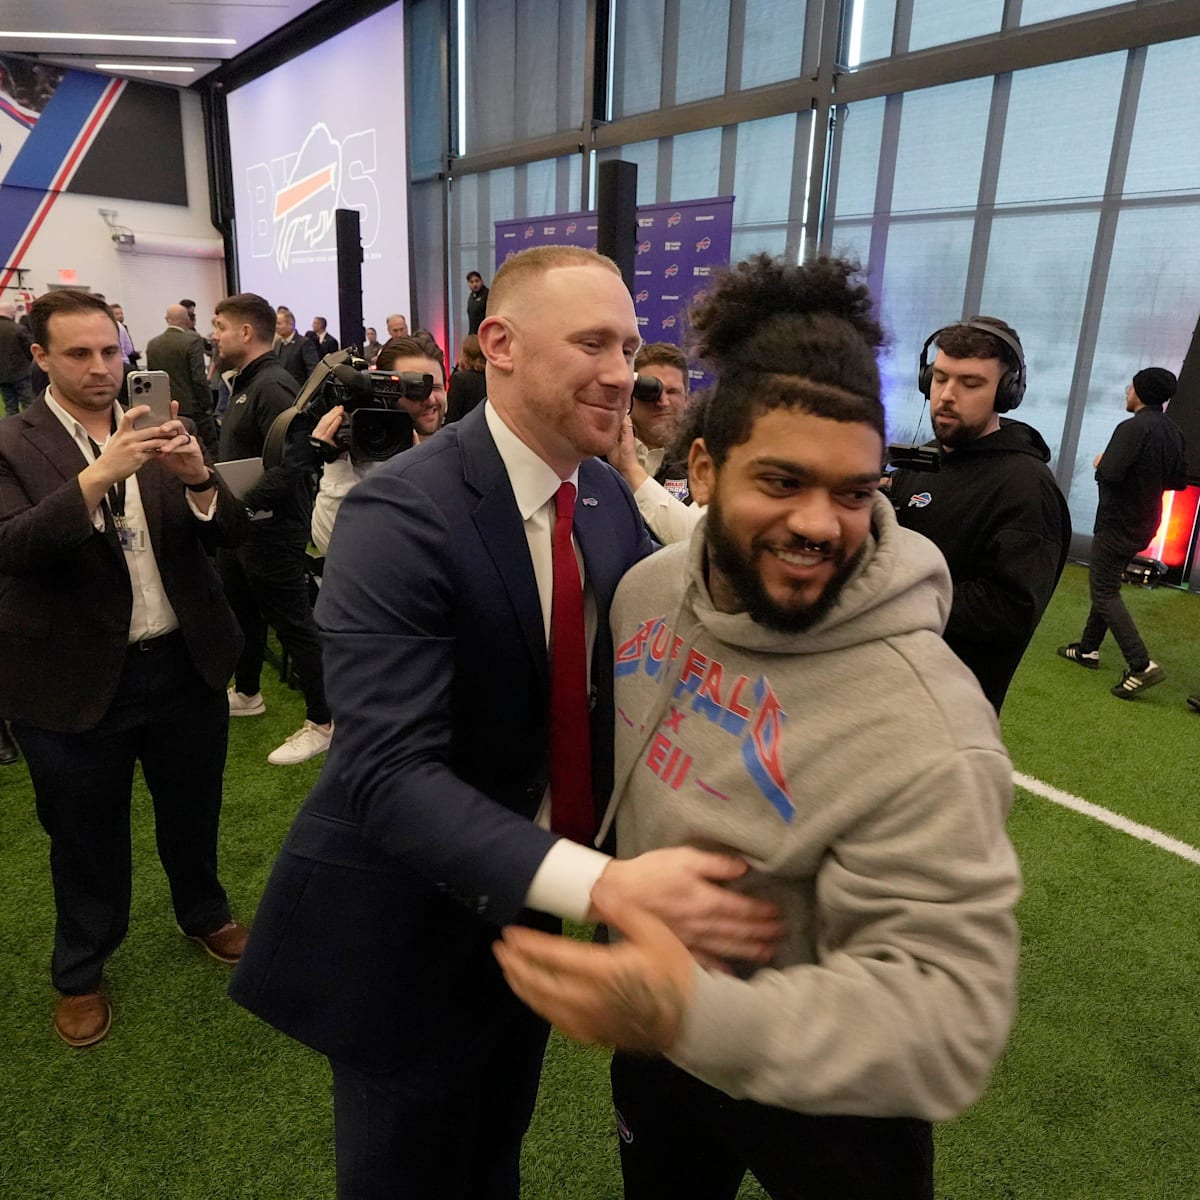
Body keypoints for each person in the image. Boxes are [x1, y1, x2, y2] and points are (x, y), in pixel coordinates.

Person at [229, 245, 783, 1200]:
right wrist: (601, 886)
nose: (623, 372)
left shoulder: (606, 495)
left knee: (492, 1149)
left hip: (530, 909)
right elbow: (388, 776)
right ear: (500, 345)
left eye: (632, 344)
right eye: (593, 343)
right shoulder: (403, 511)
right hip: (405, 925)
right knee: (409, 1169)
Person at [494, 255, 1021, 1200]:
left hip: (835, 1097)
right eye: (781, 480)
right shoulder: (649, 594)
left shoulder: (929, 722)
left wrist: (693, 1010)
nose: (821, 523)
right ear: (702, 468)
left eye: (855, 492)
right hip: (664, 1059)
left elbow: (949, 1019)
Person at [0, 289, 251, 1047]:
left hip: (182, 662)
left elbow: (231, 535)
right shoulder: (13, 442)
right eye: (79, 353)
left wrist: (201, 477)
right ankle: (80, 969)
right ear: (39, 356)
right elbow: (12, 548)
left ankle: (203, 912)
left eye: (111, 350)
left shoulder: (165, 421)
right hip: (72, 678)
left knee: (192, 807)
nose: (102, 367)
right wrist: (96, 476)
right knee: (83, 834)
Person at [888, 318, 1070, 711]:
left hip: (949, 711)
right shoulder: (922, 461)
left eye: (970, 384)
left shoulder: (1026, 488)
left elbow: (1009, 611)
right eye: (939, 379)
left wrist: (894, 594)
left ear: (1006, 392)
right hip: (884, 687)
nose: (946, 395)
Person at [213, 293, 334, 766]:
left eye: (220, 325)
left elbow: (296, 464)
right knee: (243, 612)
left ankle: (324, 722)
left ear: (245, 332)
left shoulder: (273, 385)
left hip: (271, 528)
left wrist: (240, 509)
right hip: (244, 526)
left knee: (295, 626)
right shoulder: (247, 383)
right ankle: (247, 693)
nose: (214, 334)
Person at [1058, 367, 1186, 698]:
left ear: (1140, 392)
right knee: (1108, 582)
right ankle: (1088, 649)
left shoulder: (1131, 428)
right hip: (1146, 524)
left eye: (1130, 388)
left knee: (1104, 592)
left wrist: (1101, 462)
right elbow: (1177, 481)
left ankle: (1141, 665)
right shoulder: (1172, 431)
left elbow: (1111, 474)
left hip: (1117, 523)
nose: (1127, 392)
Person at [310, 335, 449, 554]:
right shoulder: (368, 455)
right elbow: (332, 545)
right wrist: (336, 464)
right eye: (415, 389)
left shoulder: (459, 450)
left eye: (436, 387)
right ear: (385, 390)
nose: (430, 399)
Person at [608, 340, 701, 544]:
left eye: (672, 392)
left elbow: (695, 542)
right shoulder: (598, 453)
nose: (662, 402)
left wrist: (631, 470)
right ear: (630, 394)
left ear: (687, 398)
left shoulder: (703, 462)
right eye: (651, 390)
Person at [145, 303, 219, 458]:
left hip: (166, 411)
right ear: (186, 320)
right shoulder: (192, 341)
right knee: (207, 453)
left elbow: (153, 379)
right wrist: (207, 404)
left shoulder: (153, 344)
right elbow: (198, 378)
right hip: (194, 409)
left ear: (167, 319)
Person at [0, 297, 34, 416]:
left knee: (10, 408)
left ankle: (10, 432)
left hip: (2, 376)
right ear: (11, 313)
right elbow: (30, 350)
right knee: (29, 405)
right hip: (21, 374)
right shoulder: (18, 329)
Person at [445, 332, 486, 423]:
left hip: (462, 433)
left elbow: (452, 416)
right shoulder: (490, 378)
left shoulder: (459, 380)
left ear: (464, 354)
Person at [275, 309, 320, 387]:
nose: (276, 327)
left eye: (279, 323)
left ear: (290, 324)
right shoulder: (278, 343)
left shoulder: (304, 343)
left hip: (298, 391)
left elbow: (313, 371)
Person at [466, 270, 489, 334]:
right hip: (473, 333)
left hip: (485, 334)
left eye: (477, 281)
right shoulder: (471, 296)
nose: (475, 284)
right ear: (468, 284)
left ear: (481, 281)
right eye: (471, 282)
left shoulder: (488, 295)